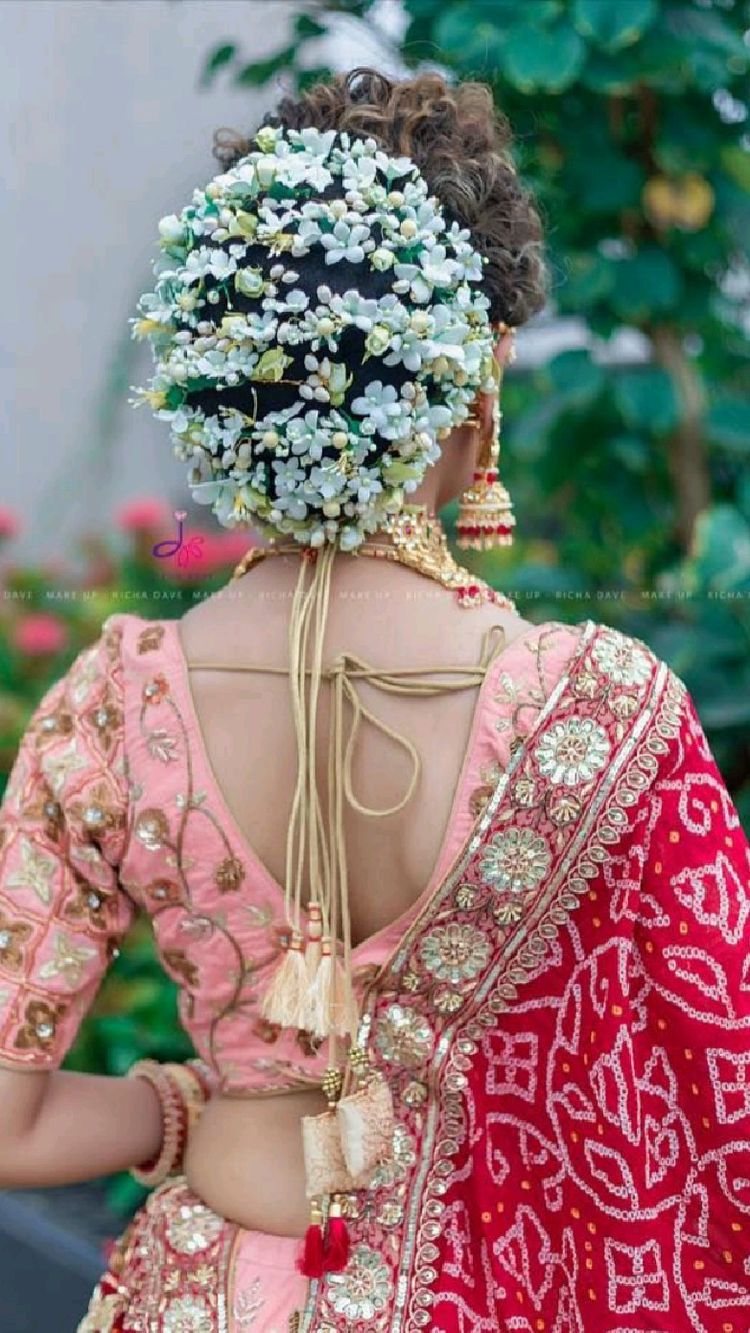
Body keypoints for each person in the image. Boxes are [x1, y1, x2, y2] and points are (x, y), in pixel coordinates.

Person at [0, 66, 748, 1333]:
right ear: (478, 383)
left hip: (203, 1298)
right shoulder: (604, 718)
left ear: (218, 390)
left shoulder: (110, 711)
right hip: (494, 1295)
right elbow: (718, 1093)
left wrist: (178, 1106)